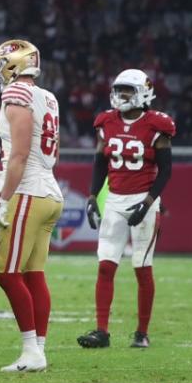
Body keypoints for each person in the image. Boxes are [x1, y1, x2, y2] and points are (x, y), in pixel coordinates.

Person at [78, 69, 175, 350]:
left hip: (144, 198)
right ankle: (101, 331)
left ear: (143, 93)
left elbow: (166, 171)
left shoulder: (158, 124)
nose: (121, 96)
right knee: (106, 266)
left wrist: (147, 204)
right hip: (116, 201)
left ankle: (142, 333)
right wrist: (92, 196)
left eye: (128, 91)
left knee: (141, 267)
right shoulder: (106, 121)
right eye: (119, 89)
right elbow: (99, 163)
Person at [0, 40, 64, 372]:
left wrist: (4, 198)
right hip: (48, 189)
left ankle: (32, 349)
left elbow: (19, 155)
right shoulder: (48, 96)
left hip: (29, 192)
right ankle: (38, 351)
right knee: (33, 274)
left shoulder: (16, 94)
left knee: (6, 273)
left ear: (14, 65)